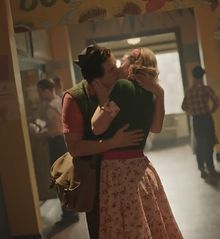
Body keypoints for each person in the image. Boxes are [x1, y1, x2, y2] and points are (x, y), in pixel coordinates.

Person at [91, 47, 183, 238]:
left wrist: (102, 100)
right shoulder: (150, 93)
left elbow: (97, 127)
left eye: (122, 61)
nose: (117, 67)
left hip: (118, 170)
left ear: (132, 65)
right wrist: (161, 94)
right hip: (141, 168)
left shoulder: (122, 87)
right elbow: (156, 128)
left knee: (123, 226)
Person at [61, 45, 145, 239]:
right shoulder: (74, 99)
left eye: (115, 65)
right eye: (111, 70)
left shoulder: (120, 87)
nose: (118, 71)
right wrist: (112, 143)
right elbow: (75, 148)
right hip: (97, 183)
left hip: (128, 177)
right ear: (96, 79)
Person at [36, 79, 79, 225]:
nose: (40, 95)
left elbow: (55, 130)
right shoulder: (59, 101)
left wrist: (40, 134)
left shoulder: (52, 106)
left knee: (60, 179)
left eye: (40, 91)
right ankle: (70, 212)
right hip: (63, 143)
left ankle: (69, 214)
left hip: (58, 143)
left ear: (46, 90)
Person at [182, 66, 220, 179]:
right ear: (202, 75)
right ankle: (211, 170)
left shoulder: (189, 91)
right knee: (209, 144)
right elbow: (216, 101)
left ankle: (202, 170)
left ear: (193, 76)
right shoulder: (206, 89)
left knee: (200, 145)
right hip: (206, 118)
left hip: (196, 120)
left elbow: (183, 106)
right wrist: (211, 110)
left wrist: (192, 111)